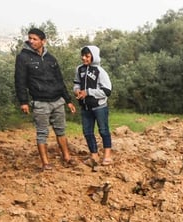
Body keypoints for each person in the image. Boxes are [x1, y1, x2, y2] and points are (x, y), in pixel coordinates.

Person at [14, 27, 77, 172]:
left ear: (43, 41)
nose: (31, 41)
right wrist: (23, 102)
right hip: (40, 102)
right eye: (30, 38)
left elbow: (59, 80)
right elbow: (20, 81)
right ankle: (45, 163)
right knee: (42, 133)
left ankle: (67, 157)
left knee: (61, 130)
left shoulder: (51, 58)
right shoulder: (23, 58)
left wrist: (68, 100)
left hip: (57, 101)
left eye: (35, 39)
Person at [73, 45, 113, 166]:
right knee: (87, 132)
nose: (84, 58)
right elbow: (76, 83)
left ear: (94, 56)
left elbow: (107, 91)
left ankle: (107, 155)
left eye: (87, 56)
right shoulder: (79, 69)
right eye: (83, 55)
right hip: (85, 107)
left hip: (99, 107)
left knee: (103, 130)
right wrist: (77, 90)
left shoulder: (100, 71)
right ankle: (94, 155)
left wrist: (88, 92)